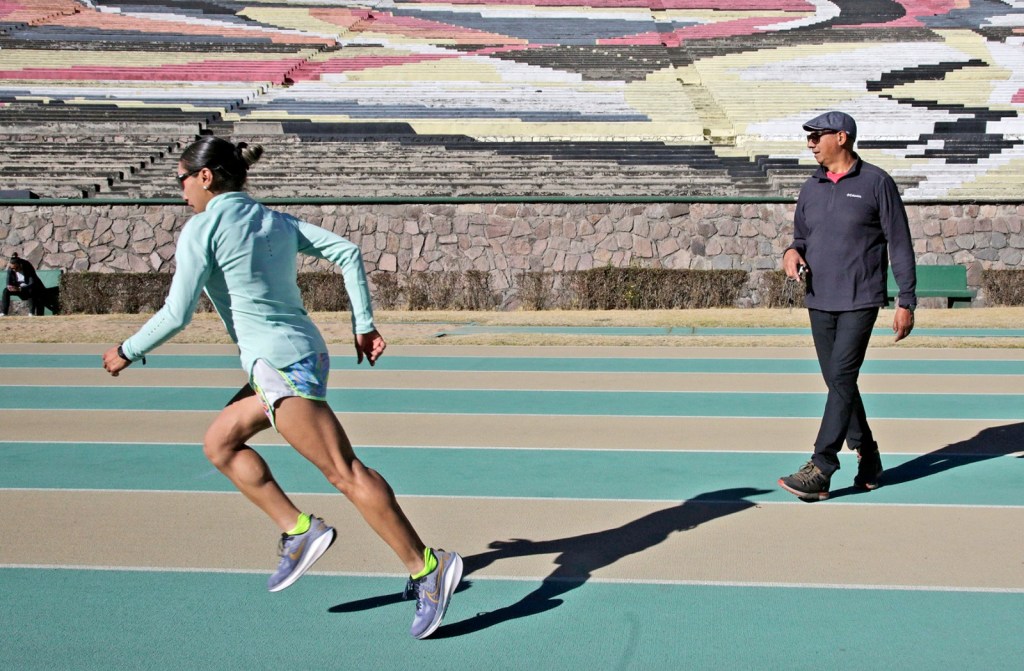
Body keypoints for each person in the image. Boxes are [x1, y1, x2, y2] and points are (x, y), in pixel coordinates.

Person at [101, 137, 462, 639]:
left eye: (181, 180)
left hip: (280, 367)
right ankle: (299, 530)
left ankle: (427, 567)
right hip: (296, 356)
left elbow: (177, 313)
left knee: (345, 472)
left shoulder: (202, 228)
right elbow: (347, 252)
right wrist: (362, 324)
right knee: (220, 444)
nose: (180, 191)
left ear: (205, 177)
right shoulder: (274, 220)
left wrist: (127, 348)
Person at [778, 111, 916, 501]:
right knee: (839, 382)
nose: (810, 143)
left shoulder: (876, 182)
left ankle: (822, 466)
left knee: (840, 378)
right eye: (808, 137)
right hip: (819, 299)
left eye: (816, 136)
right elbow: (800, 237)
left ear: (841, 137)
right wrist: (791, 252)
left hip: (860, 298)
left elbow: (899, 243)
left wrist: (906, 300)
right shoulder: (811, 187)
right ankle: (868, 456)